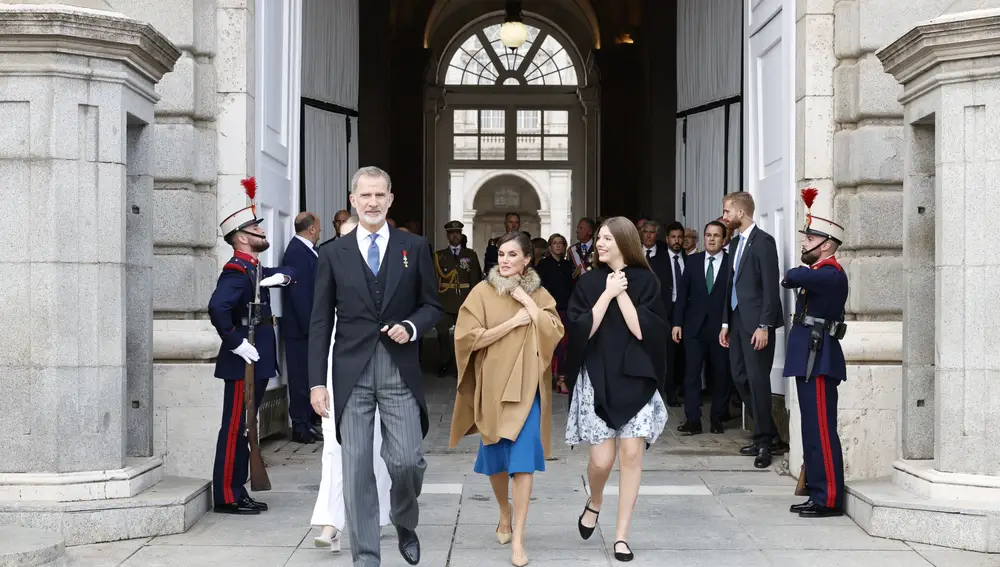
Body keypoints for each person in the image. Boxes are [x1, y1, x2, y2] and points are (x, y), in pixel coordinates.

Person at [308, 166, 444, 567]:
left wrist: (410, 326)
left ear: (390, 199)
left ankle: (404, 519)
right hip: (350, 376)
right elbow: (320, 323)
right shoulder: (332, 253)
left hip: (398, 372)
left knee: (406, 461)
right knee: (355, 470)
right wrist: (317, 383)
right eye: (364, 196)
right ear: (353, 199)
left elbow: (433, 306)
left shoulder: (414, 246)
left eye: (379, 195)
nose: (371, 202)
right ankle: (366, 557)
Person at [449, 231, 564, 567]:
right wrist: (513, 323)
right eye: (501, 254)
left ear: (527, 259)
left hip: (528, 389)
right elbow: (466, 338)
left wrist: (527, 301)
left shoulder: (540, 293)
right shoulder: (482, 292)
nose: (505, 260)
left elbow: (554, 332)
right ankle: (504, 512)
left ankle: (521, 537)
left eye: (513, 255)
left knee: (523, 461)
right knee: (497, 461)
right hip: (492, 387)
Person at [564, 217, 669, 563]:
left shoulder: (648, 282)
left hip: (636, 380)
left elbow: (643, 330)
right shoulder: (589, 282)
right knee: (601, 460)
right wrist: (607, 293)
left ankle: (621, 536)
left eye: (607, 238)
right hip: (598, 378)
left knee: (631, 456)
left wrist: (622, 293)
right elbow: (582, 331)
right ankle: (595, 501)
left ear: (625, 241)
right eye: (598, 239)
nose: (599, 244)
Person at [208, 176, 294, 515]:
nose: (264, 233)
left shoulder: (254, 268)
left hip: (256, 358)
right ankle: (226, 495)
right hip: (243, 358)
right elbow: (218, 308)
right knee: (234, 428)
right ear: (243, 237)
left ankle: (237, 489)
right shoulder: (235, 271)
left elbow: (289, 272)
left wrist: (281, 278)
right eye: (257, 229)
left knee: (247, 426)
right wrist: (235, 342)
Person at [309, 215, 392, 552]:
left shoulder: (387, 268)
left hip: (379, 365)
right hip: (338, 364)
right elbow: (319, 324)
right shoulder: (331, 264)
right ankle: (331, 520)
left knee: (376, 447)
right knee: (335, 445)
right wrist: (317, 382)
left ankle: (376, 512)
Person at [783, 188, 849, 518]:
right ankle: (817, 492)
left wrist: (803, 268)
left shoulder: (830, 273)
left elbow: (791, 277)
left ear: (825, 244)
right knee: (811, 427)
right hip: (809, 356)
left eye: (810, 238)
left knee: (821, 429)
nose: (804, 243)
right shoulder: (819, 273)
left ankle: (830, 498)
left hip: (819, 358)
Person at [719, 192, 786, 468]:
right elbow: (730, 285)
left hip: (757, 325)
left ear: (741, 213)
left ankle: (763, 444)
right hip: (736, 323)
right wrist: (725, 323)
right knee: (739, 377)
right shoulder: (734, 244)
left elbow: (771, 288)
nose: (724, 217)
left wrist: (764, 325)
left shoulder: (764, 242)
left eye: (727, 212)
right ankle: (769, 433)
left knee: (758, 380)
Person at [672, 221, 732, 434]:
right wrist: (677, 323)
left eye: (716, 235)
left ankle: (717, 418)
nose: (712, 239)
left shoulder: (731, 263)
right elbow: (681, 295)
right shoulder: (693, 261)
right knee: (691, 374)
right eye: (708, 235)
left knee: (721, 374)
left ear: (724, 239)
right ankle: (693, 420)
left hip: (721, 330)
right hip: (694, 328)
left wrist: (730, 325)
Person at [281, 211, 324, 443]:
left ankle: (307, 422)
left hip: (305, 328)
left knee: (308, 378)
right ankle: (300, 425)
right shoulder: (298, 252)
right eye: (318, 227)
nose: (320, 232)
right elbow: (300, 296)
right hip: (301, 330)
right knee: (300, 379)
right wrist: (312, 329)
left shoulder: (306, 250)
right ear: (312, 229)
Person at [433, 220, 483, 377]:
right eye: (452, 233)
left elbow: (476, 279)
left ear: (461, 235)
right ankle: (445, 361)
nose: (455, 235)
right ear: (447, 236)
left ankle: (461, 365)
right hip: (445, 301)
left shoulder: (470, 255)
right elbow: (434, 280)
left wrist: (474, 302)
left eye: (457, 233)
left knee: (463, 336)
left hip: (464, 301)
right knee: (442, 332)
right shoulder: (439, 256)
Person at [535, 233, 575, 394]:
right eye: (555, 243)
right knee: (550, 345)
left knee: (564, 346)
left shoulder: (568, 265)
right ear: (549, 246)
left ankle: (561, 378)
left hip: (565, 309)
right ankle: (548, 378)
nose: (558, 246)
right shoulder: (543, 265)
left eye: (561, 243)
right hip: (549, 310)